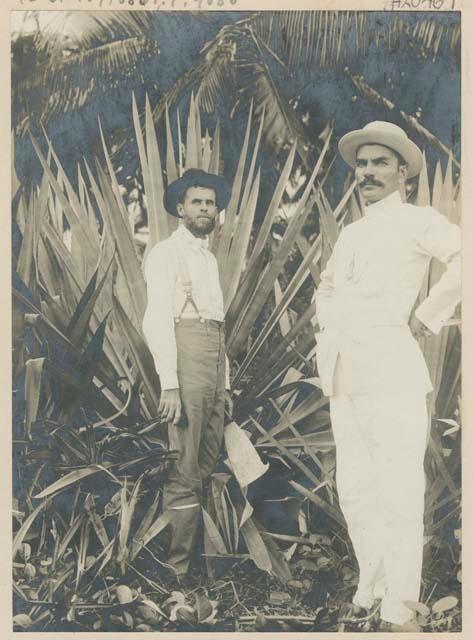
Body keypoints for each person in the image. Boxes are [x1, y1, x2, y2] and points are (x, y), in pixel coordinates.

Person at [313, 121, 461, 629]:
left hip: (392, 370)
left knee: (398, 486)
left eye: (380, 163)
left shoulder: (418, 220)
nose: (369, 172)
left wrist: (429, 314)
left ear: (402, 172)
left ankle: (400, 602)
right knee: (355, 486)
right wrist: (328, 332)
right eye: (363, 163)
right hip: (343, 372)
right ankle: (370, 587)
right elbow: (326, 288)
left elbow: (465, 257)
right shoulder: (352, 232)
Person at [142, 168, 232, 579]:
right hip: (185, 357)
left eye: (209, 203)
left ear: (217, 211)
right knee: (183, 462)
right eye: (196, 202)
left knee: (207, 459)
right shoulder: (166, 253)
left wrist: (225, 384)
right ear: (181, 209)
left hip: (213, 360)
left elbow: (218, 325)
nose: (203, 209)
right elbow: (156, 319)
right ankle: (174, 570)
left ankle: (199, 563)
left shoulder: (209, 259)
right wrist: (171, 384)